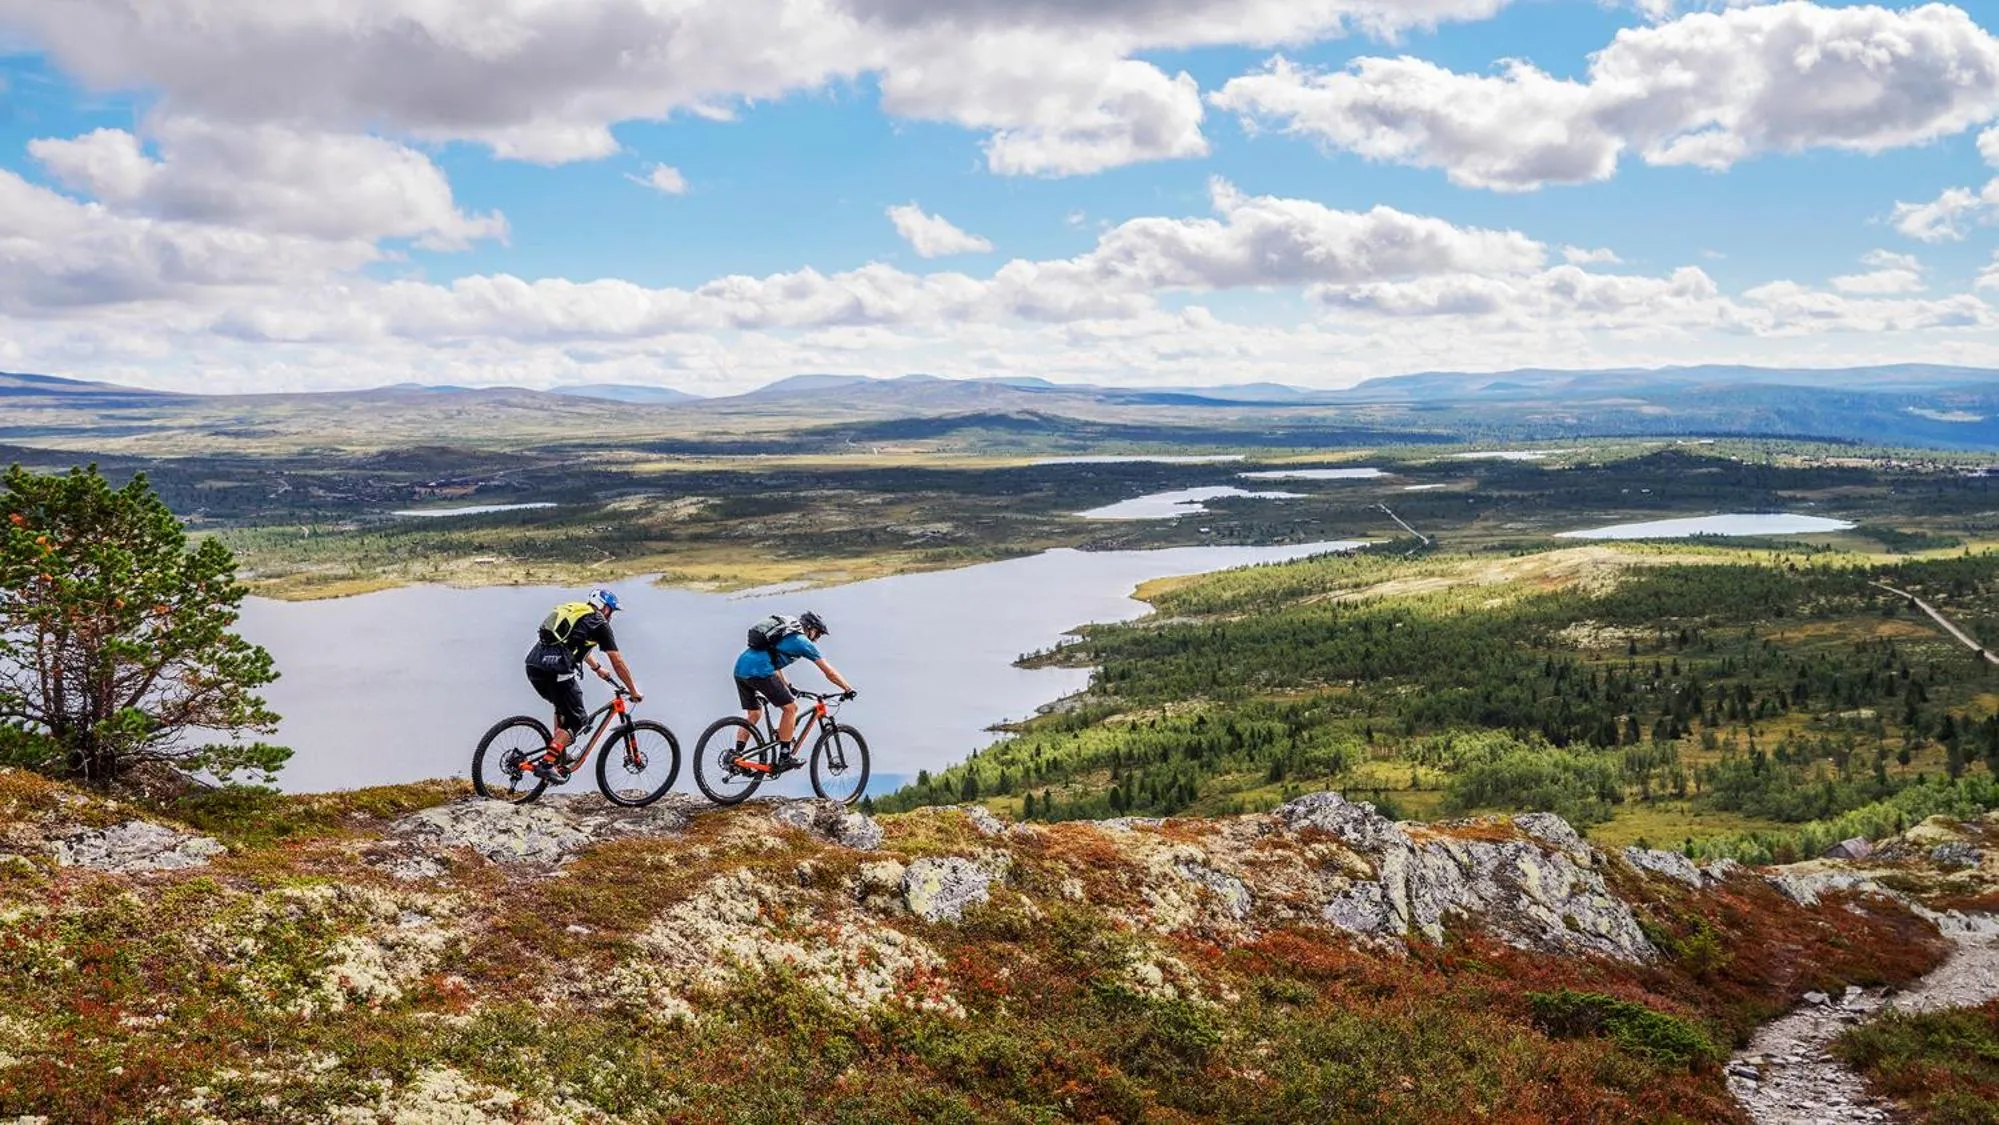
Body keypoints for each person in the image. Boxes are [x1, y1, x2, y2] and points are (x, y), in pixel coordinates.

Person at [524, 588, 642, 782]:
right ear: (604, 608)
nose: (611, 615)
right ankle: (547, 764)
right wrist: (632, 690)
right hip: (556, 672)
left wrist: (597, 669)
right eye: (611, 610)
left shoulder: (580, 616)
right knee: (578, 719)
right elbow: (617, 661)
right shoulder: (600, 623)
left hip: (534, 666)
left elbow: (575, 645)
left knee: (562, 706)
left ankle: (557, 754)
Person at [733, 610, 854, 772]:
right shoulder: (802, 642)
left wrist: (788, 686)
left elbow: (774, 662)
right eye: (817, 634)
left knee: (754, 714)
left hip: (740, 669)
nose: (817, 639)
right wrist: (847, 688)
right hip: (760, 671)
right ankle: (785, 757)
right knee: (791, 709)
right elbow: (829, 672)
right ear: (809, 628)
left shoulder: (784, 636)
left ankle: (735, 757)